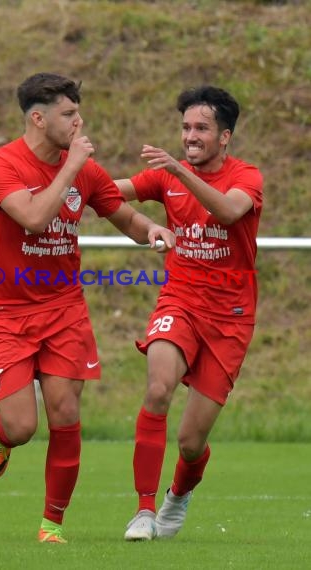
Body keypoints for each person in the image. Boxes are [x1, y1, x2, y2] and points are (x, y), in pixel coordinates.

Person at [0, 72, 175, 544]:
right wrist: (72, 168)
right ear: (39, 119)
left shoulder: (83, 169)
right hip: (5, 312)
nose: (78, 121)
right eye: (68, 114)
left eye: (77, 112)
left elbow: (122, 213)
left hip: (64, 309)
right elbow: (33, 218)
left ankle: (52, 525)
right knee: (24, 425)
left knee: (65, 412)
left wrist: (151, 230)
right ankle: (2, 433)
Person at [115, 85, 263, 541]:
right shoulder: (163, 178)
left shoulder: (247, 177)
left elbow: (228, 212)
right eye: (185, 128)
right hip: (179, 300)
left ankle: (177, 496)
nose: (190, 136)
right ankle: (142, 511)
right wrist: (65, 184)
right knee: (158, 388)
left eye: (201, 128)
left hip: (230, 317)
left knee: (190, 441)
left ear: (225, 137)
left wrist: (178, 170)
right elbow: (107, 192)